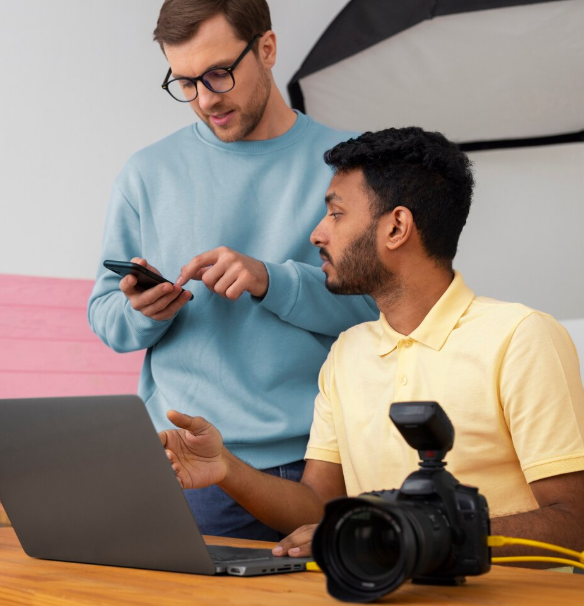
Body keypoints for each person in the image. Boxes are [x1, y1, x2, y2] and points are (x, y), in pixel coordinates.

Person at [159, 127, 584, 565]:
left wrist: (410, 533)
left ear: (396, 227)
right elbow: (317, 507)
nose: (317, 234)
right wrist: (226, 469)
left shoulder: (521, 337)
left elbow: (574, 522)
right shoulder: (347, 353)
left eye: (336, 214)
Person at [87, 0, 378, 540]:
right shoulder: (146, 172)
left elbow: (378, 310)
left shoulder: (347, 165)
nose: (205, 100)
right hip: (171, 465)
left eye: (219, 74)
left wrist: (274, 279)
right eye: (186, 82)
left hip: (297, 470)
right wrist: (144, 312)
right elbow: (105, 316)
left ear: (266, 49)